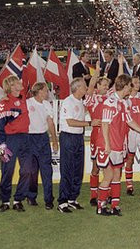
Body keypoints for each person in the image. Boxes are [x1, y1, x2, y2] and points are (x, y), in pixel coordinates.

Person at [96, 74, 140, 216]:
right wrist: (107, 144)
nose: (132, 87)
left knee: (117, 176)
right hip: (109, 145)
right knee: (109, 176)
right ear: (125, 86)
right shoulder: (110, 102)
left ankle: (115, 206)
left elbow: (130, 121)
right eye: (130, 85)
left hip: (119, 145)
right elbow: (105, 124)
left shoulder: (123, 103)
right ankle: (101, 206)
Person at [58, 77, 96, 213]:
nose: (86, 88)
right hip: (68, 136)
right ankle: (62, 201)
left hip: (78, 136)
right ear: (78, 88)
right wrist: (90, 123)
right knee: (67, 169)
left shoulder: (80, 101)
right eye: (84, 86)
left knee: (78, 169)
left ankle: (72, 198)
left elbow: (90, 94)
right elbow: (70, 122)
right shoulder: (68, 102)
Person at [0, 75, 31, 212]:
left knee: (28, 170)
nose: (20, 83)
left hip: (25, 138)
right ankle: (4, 200)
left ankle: (18, 199)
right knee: (7, 170)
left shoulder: (23, 97)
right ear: (11, 86)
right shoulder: (4, 102)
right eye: (17, 82)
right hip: (9, 140)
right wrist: (1, 145)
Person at [26, 82, 59, 209]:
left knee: (47, 170)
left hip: (43, 139)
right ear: (39, 91)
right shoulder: (28, 103)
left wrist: (54, 140)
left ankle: (48, 199)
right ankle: (31, 196)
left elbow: (50, 123)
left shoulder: (47, 105)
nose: (47, 93)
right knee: (32, 171)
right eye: (46, 90)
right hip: (30, 139)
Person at [83, 61, 107, 206]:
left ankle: (107, 193)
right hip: (96, 135)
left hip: (110, 136)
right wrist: (96, 72)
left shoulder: (111, 98)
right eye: (103, 84)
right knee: (96, 166)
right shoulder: (92, 99)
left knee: (109, 167)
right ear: (98, 86)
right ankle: (93, 194)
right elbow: (90, 86)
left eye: (106, 85)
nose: (106, 87)